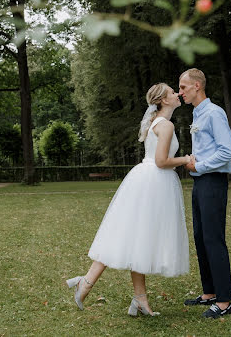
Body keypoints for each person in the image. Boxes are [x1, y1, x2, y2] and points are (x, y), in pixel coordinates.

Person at [66, 83, 190, 316]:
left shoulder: (157, 122)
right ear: (164, 99)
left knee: (137, 240)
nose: (177, 94)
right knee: (135, 238)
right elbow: (162, 161)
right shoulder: (166, 125)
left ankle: (136, 299)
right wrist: (185, 159)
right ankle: (88, 282)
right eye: (173, 92)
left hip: (147, 180)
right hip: (155, 182)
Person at [178, 68, 231, 319]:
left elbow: (228, 151)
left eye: (183, 87)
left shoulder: (214, 113)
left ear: (197, 86)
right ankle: (210, 292)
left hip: (212, 181)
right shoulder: (197, 113)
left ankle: (224, 301)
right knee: (201, 237)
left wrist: (198, 165)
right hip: (200, 182)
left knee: (214, 238)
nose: (180, 93)